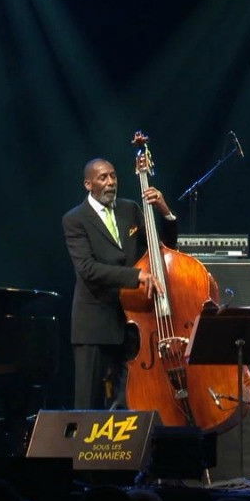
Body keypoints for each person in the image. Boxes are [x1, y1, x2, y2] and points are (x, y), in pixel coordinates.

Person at [63, 157, 177, 409]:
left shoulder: (131, 209)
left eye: (113, 176)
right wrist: (136, 276)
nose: (110, 182)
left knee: (130, 401)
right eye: (103, 177)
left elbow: (163, 251)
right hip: (95, 324)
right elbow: (88, 269)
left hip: (133, 324)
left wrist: (165, 212)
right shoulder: (75, 219)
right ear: (88, 184)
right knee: (88, 405)